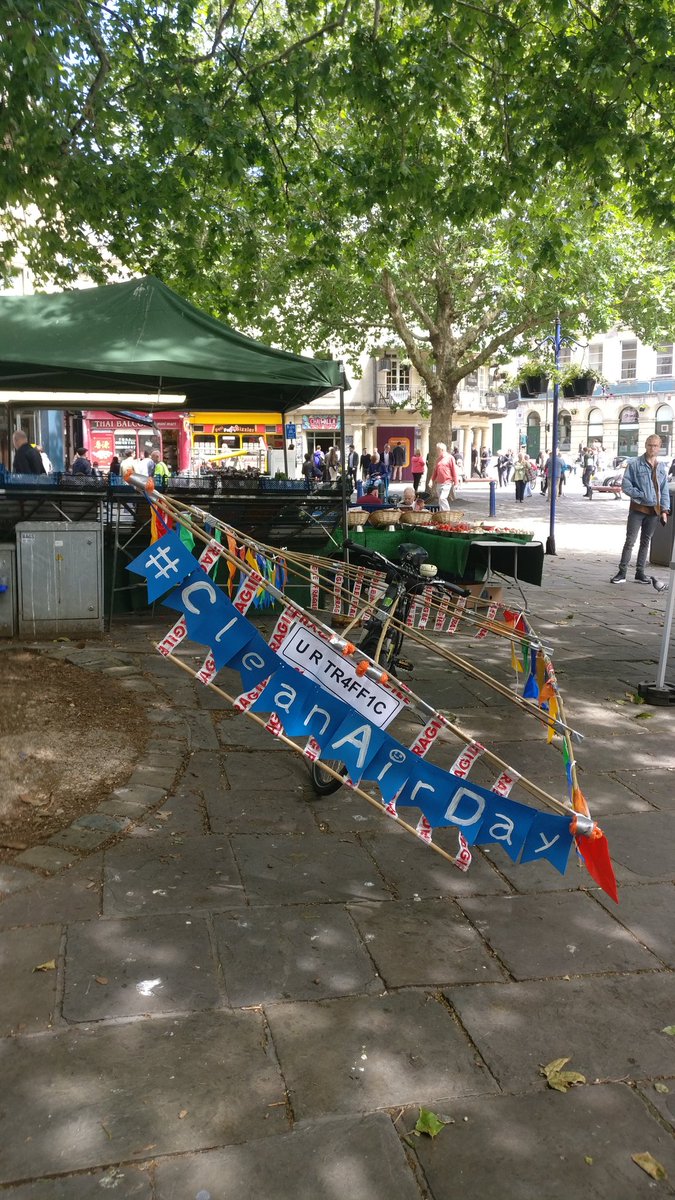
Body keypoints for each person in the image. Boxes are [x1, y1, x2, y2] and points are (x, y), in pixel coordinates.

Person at [611, 435, 671, 589]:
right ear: (645, 445)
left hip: (654, 512)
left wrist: (665, 510)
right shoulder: (635, 464)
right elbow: (626, 485)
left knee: (645, 542)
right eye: (650, 445)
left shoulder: (661, 467)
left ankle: (640, 573)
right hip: (638, 509)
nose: (652, 448)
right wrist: (641, 495)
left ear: (659, 447)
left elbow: (663, 491)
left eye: (655, 446)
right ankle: (622, 572)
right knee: (630, 541)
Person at [430, 442, 459, 510]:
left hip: (447, 482)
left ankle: (446, 512)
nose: (437, 452)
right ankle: (442, 515)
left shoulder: (450, 458)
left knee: (442, 498)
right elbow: (435, 471)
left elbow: (454, 470)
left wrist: (456, 482)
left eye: (438, 450)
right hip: (439, 483)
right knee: (440, 500)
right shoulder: (438, 460)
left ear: (442, 450)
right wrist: (431, 480)